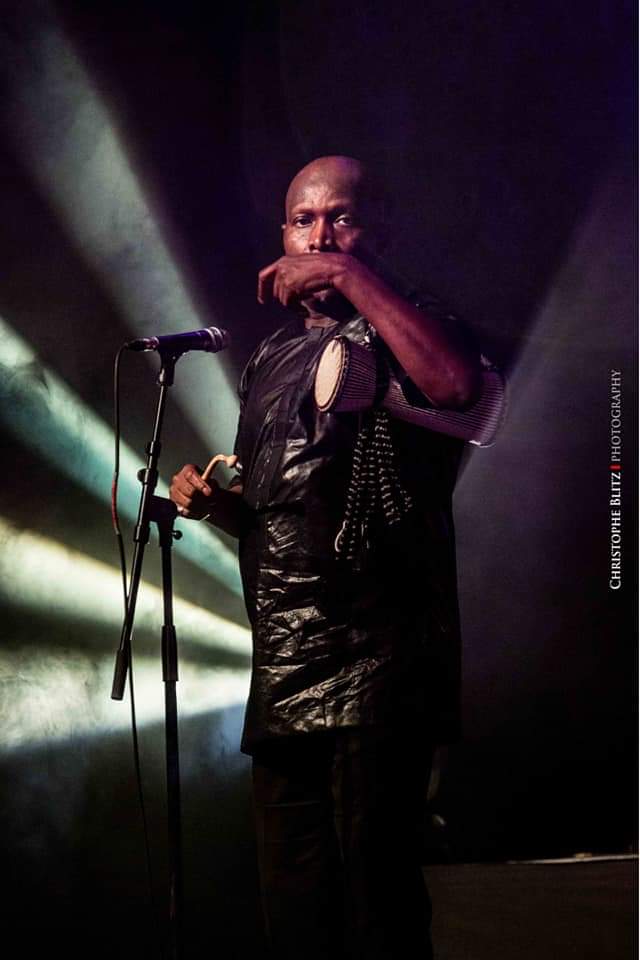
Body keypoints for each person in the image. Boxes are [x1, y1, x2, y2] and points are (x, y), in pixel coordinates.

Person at [170, 155, 482, 959]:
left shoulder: (418, 323)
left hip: (378, 657)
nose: (317, 238)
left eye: (339, 220)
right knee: (297, 914)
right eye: (303, 222)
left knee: (377, 909)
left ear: (380, 232)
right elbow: (281, 518)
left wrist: (347, 274)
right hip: (286, 665)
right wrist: (218, 507)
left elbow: (453, 390)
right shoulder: (270, 362)